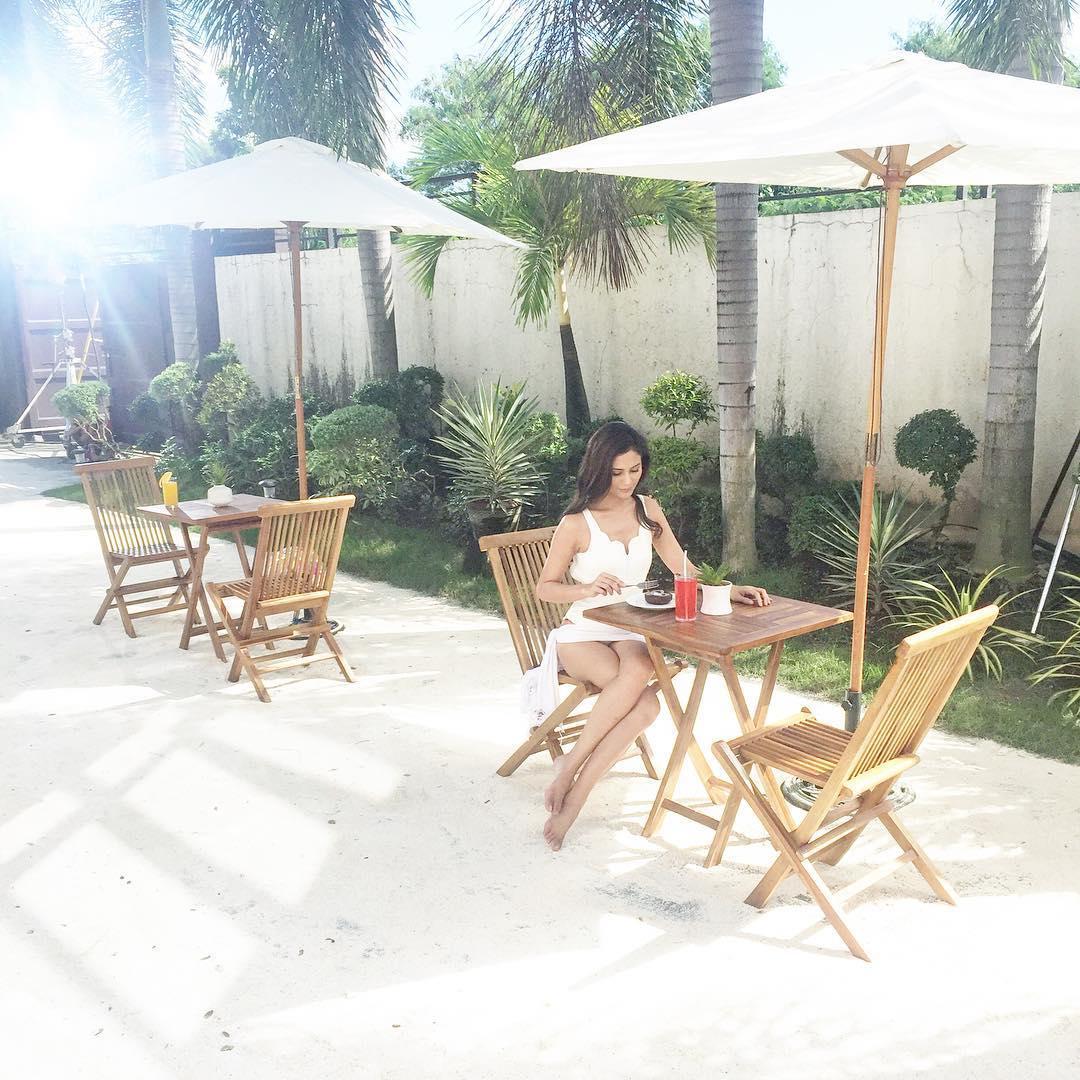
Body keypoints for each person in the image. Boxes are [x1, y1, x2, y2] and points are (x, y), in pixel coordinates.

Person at [533, 421, 770, 851]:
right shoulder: (576, 523)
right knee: (646, 705)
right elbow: (544, 589)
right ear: (598, 469)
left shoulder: (648, 510)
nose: (627, 482)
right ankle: (573, 788)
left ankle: (571, 771)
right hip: (582, 630)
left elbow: (681, 565)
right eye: (617, 472)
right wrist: (586, 588)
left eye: (635, 470)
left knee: (641, 681)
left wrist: (727, 589)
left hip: (631, 625)